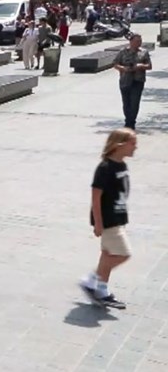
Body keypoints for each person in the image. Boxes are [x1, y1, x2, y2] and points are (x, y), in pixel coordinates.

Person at [80, 128, 138, 310]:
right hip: (108, 221)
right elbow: (95, 197)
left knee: (107, 255)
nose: (136, 147)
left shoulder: (121, 165)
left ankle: (100, 289)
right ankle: (93, 281)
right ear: (119, 145)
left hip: (117, 217)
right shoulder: (105, 168)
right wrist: (98, 223)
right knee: (123, 254)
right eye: (133, 143)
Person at [114, 34, 152, 131]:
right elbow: (115, 64)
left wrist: (140, 66)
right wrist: (123, 68)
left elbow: (149, 65)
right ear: (131, 42)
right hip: (125, 80)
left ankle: (131, 123)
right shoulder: (123, 52)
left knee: (134, 102)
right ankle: (128, 120)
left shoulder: (144, 52)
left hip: (138, 80)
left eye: (140, 41)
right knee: (126, 103)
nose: (138, 43)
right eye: (136, 41)